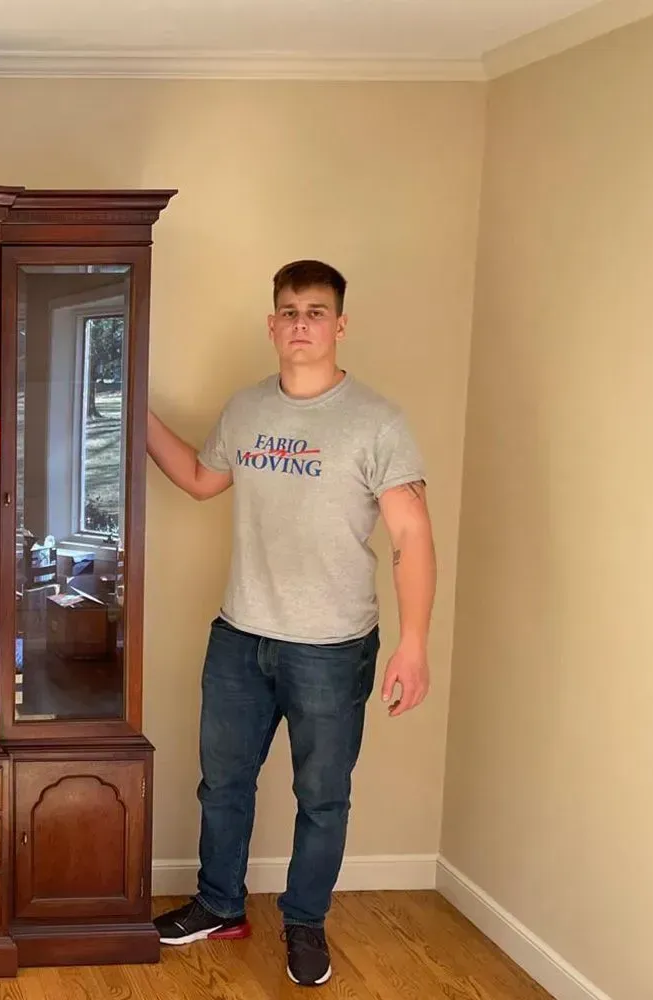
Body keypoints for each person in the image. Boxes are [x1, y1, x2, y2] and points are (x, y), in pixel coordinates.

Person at [146, 261, 435, 987]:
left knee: (323, 797)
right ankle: (220, 905)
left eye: (315, 311)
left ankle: (305, 923)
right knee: (223, 785)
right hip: (241, 636)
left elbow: (412, 538)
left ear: (339, 326)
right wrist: (134, 414)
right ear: (272, 325)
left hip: (333, 649)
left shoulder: (377, 421)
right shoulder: (246, 411)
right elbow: (201, 480)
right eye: (288, 311)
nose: (300, 323)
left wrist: (415, 644)